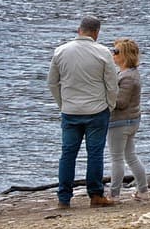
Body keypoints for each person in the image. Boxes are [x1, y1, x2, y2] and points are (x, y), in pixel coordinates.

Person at [47, 16, 119, 208]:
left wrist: (62, 103)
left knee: (68, 153)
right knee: (95, 153)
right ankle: (95, 195)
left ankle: (64, 198)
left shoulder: (60, 51)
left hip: (70, 110)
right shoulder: (103, 52)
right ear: (97, 32)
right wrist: (109, 105)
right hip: (97, 109)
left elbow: (52, 82)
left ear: (79, 30)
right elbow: (111, 85)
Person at [107, 38, 150, 201]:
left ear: (124, 55)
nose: (113, 54)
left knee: (117, 158)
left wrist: (105, 96)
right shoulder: (129, 74)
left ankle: (114, 194)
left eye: (116, 51)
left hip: (120, 122)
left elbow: (121, 103)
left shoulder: (127, 77)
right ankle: (143, 190)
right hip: (131, 121)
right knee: (131, 156)